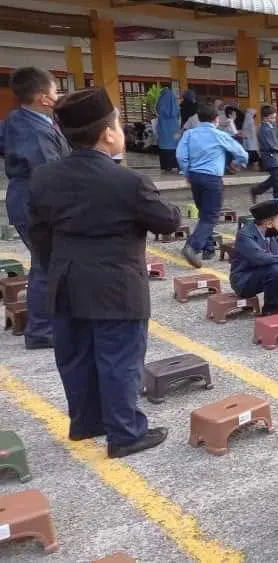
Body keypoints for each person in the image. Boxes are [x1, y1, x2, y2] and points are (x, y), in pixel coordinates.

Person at [28, 87, 182, 457]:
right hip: (116, 285)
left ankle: (86, 423)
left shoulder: (44, 177)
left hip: (65, 281)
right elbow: (166, 221)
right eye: (118, 124)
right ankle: (125, 434)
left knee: (76, 356)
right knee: (118, 360)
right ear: (107, 133)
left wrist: (58, 269)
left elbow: (39, 235)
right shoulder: (127, 182)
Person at [0, 67, 69, 349]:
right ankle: (41, 330)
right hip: (35, 201)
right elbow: (49, 175)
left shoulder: (19, 118)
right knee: (46, 265)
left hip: (25, 196)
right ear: (43, 97)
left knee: (46, 263)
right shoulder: (35, 130)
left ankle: (48, 321)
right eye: (55, 90)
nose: (58, 95)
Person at [176, 103, 249, 268]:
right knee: (210, 216)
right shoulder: (218, 134)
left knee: (204, 213)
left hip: (194, 177)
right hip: (212, 178)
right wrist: (238, 163)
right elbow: (241, 153)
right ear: (216, 119)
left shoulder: (189, 134)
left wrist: (187, 172)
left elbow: (181, 156)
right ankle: (192, 247)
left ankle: (208, 248)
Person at [250, 105, 278, 203]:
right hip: (270, 156)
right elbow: (270, 145)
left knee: (274, 179)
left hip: (274, 157)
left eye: (274, 117)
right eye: (271, 118)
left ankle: (257, 190)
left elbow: (274, 143)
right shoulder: (264, 129)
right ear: (265, 117)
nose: (273, 120)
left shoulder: (270, 127)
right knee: (277, 179)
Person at [154, 87, 180, 173]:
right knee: (174, 145)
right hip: (174, 125)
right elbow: (177, 112)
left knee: (164, 145)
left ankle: (166, 166)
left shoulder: (161, 100)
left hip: (163, 125)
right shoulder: (173, 101)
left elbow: (157, 109)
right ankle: (175, 164)